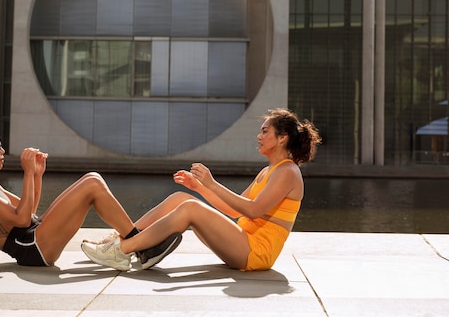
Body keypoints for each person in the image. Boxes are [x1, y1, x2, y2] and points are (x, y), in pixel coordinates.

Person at [82, 108, 321, 271]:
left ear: (282, 138)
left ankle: (121, 251)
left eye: (265, 131)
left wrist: (212, 183)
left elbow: (254, 211)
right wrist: (200, 187)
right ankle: (128, 237)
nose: (259, 136)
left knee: (189, 209)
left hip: (255, 252)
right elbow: (234, 209)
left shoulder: (287, 172)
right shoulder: (270, 170)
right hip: (242, 241)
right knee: (181, 198)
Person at [0, 116, 180, 270]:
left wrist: (36, 175)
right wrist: (27, 173)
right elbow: (22, 219)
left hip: (35, 238)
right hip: (32, 249)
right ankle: (141, 247)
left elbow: (29, 211)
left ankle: (138, 246)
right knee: (92, 183)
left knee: (92, 179)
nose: (3, 151)